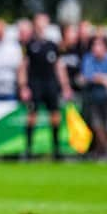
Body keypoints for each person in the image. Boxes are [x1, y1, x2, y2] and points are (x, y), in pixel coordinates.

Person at [18, 13, 73, 159]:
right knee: (32, 116)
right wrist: (23, 86)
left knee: (55, 116)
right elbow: (23, 66)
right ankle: (28, 150)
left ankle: (56, 150)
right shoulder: (29, 45)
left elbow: (59, 67)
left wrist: (65, 86)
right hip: (35, 84)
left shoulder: (52, 45)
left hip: (50, 84)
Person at [80, 37, 107, 158]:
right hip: (92, 98)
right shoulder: (88, 58)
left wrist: (97, 78)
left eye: (98, 45)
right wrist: (102, 79)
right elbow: (86, 76)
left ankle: (103, 150)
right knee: (96, 126)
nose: (95, 48)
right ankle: (106, 150)